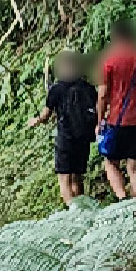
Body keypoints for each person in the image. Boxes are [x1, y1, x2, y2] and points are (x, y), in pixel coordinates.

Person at [96, 20, 136, 199]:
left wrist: (100, 120)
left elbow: (102, 95)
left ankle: (122, 198)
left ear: (115, 37)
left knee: (110, 163)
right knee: (134, 167)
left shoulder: (109, 62)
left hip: (117, 121)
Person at [28, 50, 97, 206]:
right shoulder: (88, 87)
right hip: (83, 139)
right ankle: (82, 209)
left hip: (65, 138)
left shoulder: (57, 89)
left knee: (64, 179)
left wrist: (36, 121)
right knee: (77, 177)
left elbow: (45, 116)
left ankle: (73, 213)